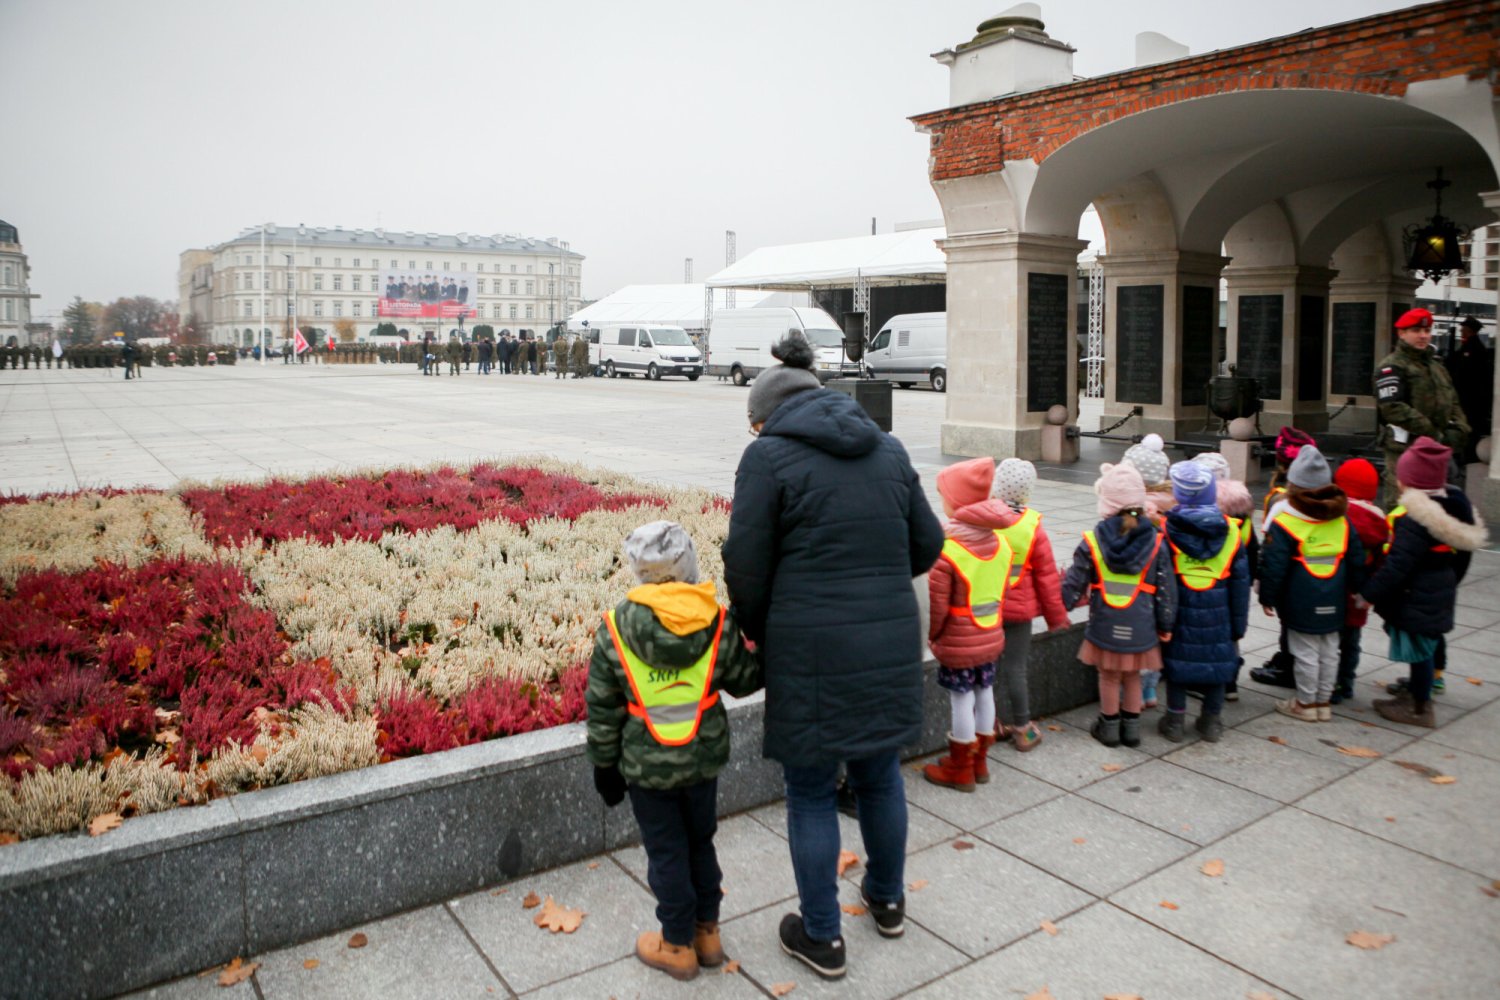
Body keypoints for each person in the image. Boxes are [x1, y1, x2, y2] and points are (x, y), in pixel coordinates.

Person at [721, 331, 943, 980]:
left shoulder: (767, 459)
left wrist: (756, 629)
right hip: (887, 640)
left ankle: (821, 935)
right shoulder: (889, 449)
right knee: (878, 775)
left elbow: (747, 565)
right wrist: (874, 577)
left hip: (810, 646)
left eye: (756, 422)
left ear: (768, 417)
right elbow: (927, 546)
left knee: (812, 790)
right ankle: (888, 898)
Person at [585, 520, 762, 981]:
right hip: (703, 764)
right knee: (701, 842)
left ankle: (676, 944)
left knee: (667, 852)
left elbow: (603, 709)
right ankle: (708, 934)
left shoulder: (615, 630)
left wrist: (605, 765)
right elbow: (745, 680)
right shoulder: (718, 621)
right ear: (688, 565)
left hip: (647, 771)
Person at [1362, 437, 1486, 727]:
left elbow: (1397, 565)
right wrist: (1448, 581)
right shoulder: (1451, 507)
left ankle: (1419, 707)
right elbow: (1462, 557)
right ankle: (1424, 685)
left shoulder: (1414, 520)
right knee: (1430, 641)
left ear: (1410, 483)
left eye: (1402, 477)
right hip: (1437, 586)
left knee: (1419, 648)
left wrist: (1369, 593)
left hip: (1416, 591)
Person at [1061, 462, 1177, 748]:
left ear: (1107, 503)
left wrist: (1064, 604)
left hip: (1105, 623)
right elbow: (1166, 590)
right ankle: (1132, 729)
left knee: (1109, 676)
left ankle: (1109, 727)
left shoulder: (1093, 541)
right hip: (1141, 625)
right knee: (1133, 676)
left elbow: (1073, 584)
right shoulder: (1156, 542)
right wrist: (1166, 625)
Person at [921, 457, 1014, 792]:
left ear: (956, 503)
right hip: (990, 633)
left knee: (960, 699)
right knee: (984, 691)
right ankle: (980, 761)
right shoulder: (1001, 543)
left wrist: (933, 638)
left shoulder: (948, 550)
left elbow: (937, 608)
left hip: (958, 640)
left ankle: (960, 767)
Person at [1258, 446, 1365, 722]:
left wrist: (1266, 597)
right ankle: (1323, 701)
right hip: (1335, 596)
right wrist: (1362, 591)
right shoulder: (1342, 520)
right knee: (1330, 649)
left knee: (1304, 651)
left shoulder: (1286, 522)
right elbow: (1356, 559)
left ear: (1293, 486)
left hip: (1300, 598)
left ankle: (1305, 703)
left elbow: (1274, 565)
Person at [1157, 462, 1250, 743]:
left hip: (1180, 612)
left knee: (1177, 667)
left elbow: (1162, 579)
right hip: (1219, 614)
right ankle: (1211, 720)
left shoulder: (1168, 530)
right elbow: (1240, 585)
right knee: (1217, 667)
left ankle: (1174, 720)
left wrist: (1161, 620)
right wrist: (1238, 625)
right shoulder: (1232, 534)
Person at [992, 458, 1071, 750]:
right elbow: (1048, 578)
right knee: (1016, 668)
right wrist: (1056, 618)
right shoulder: (1032, 526)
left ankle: (990, 724)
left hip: (987, 607)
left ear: (996, 487)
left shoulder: (984, 519)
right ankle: (1023, 728)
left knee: (986, 668)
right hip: (1019, 610)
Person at [1375, 307, 1469, 507]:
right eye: (1416, 331)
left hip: (1436, 448)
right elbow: (1392, 407)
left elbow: (1452, 400)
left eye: (1427, 331)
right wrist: (1431, 431)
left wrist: (1460, 428)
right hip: (1404, 448)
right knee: (1402, 505)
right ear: (1402, 333)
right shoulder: (1392, 366)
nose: (1423, 336)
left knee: (1435, 504)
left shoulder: (1436, 366)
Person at [1331, 458, 1389, 704]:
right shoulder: (1380, 524)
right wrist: (1370, 593)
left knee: (1329, 641)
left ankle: (1328, 682)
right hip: (1358, 594)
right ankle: (1346, 682)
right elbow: (1381, 564)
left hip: (1331, 590)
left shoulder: (1335, 516)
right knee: (1351, 642)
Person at [1119, 433, 1172, 708]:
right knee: (1153, 643)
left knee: (1135, 644)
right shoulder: (1170, 507)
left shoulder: (1132, 511)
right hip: (1159, 589)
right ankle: (1150, 691)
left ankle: (1132, 694)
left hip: (1134, 591)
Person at [1446, 316, 1492, 463]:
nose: (1461, 330)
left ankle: (1468, 456)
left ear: (1469, 330)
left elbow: (1463, 372)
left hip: (1471, 398)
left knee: (1470, 429)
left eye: (1463, 328)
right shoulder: (1468, 347)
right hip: (1467, 397)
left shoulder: (1474, 349)